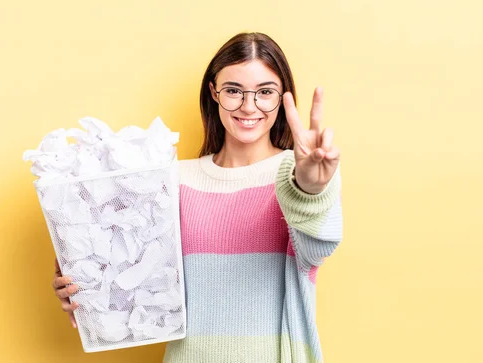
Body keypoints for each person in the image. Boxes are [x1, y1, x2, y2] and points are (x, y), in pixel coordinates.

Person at [51, 32, 342, 362]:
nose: (249, 106)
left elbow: (317, 247)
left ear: (282, 97)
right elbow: (129, 278)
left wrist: (310, 190)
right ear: (213, 93)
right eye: (234, 91)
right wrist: (81, 282)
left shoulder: (302, 173)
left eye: (265, 92)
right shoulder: (172, 180)